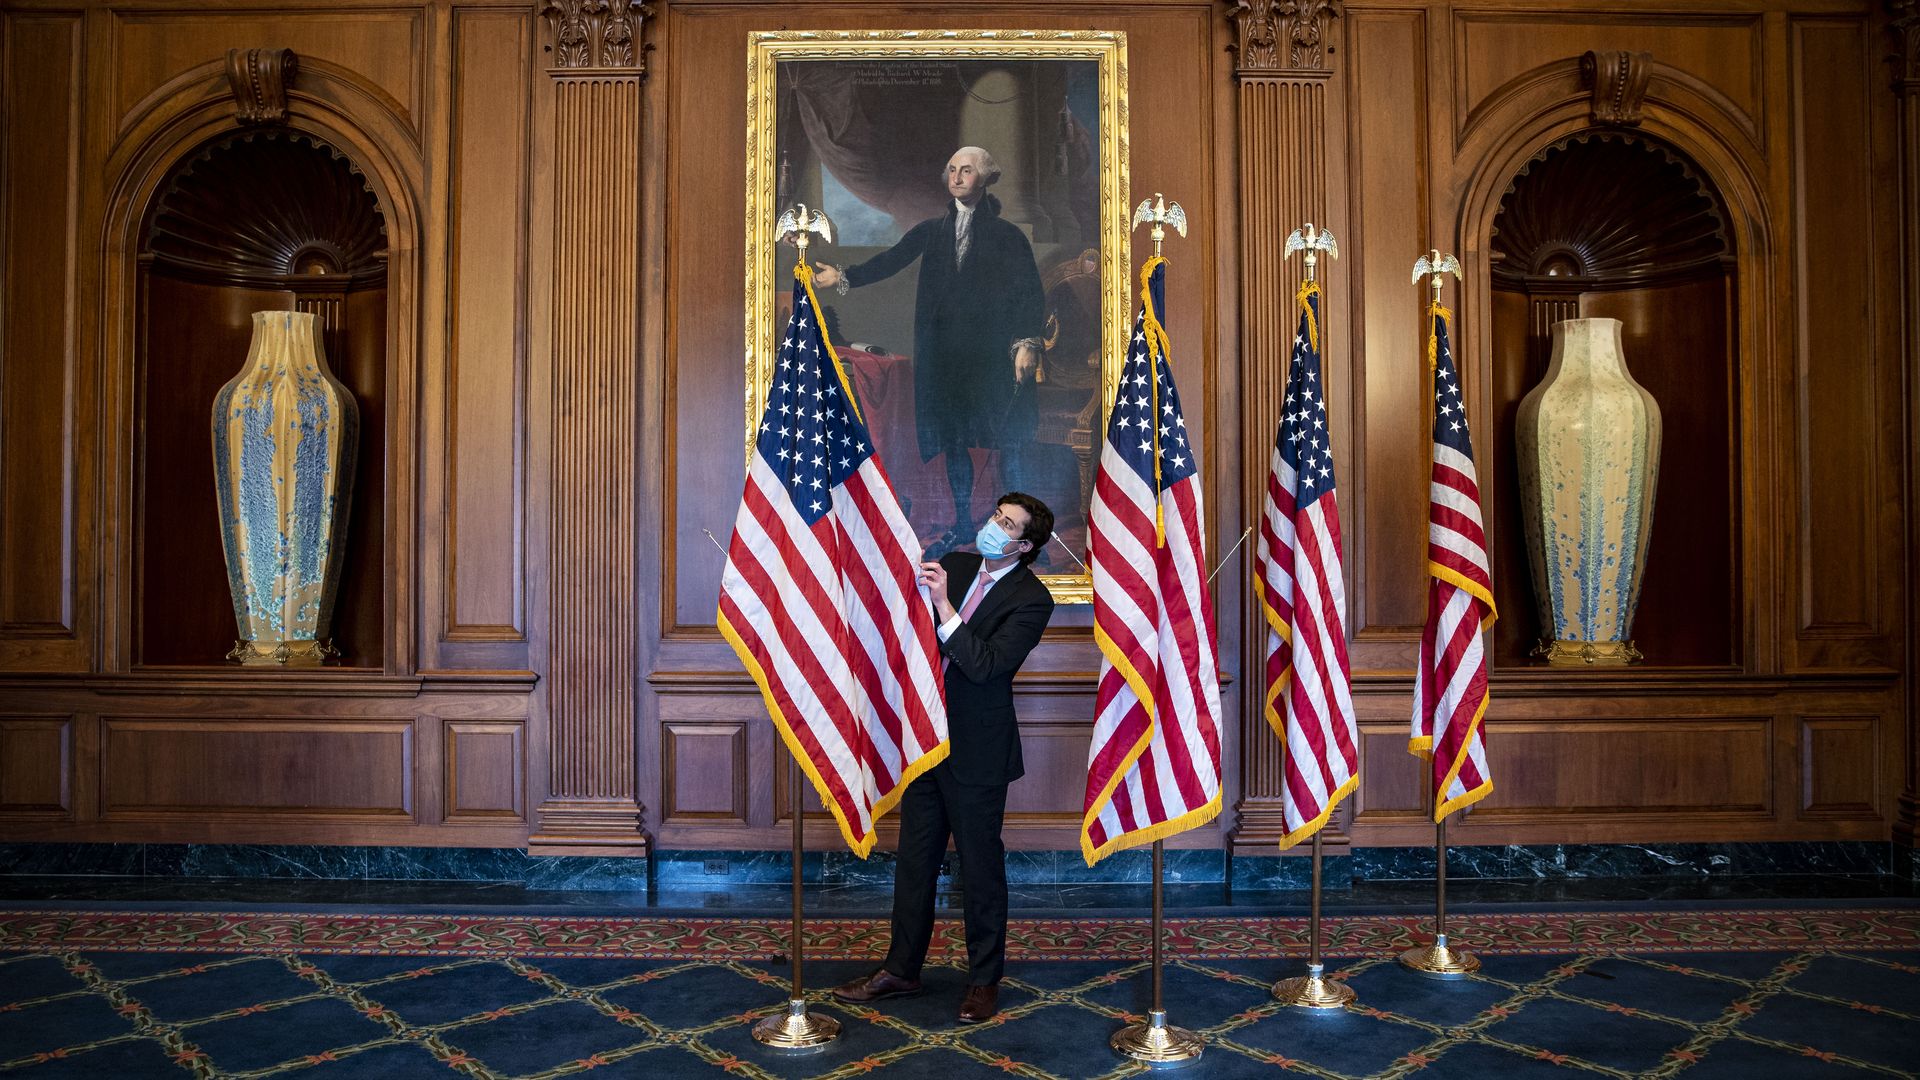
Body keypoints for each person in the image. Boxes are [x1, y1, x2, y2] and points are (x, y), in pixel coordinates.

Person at [832, 492, 1057, 1023]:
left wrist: (945, 608)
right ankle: (901, 970)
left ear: (1023, 546)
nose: (994, 526)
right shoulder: (955, 563)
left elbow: (987, 666)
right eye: (996, 515)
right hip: (925, 742)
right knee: (914, 863)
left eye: (1008, 524)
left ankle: (983, 981)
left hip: (978, 751)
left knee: (980, 870)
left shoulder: (1032, 599)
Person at [815, 147, 1046, 556]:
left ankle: (1023, 535)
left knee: (1007, 442)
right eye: (953, 170)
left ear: (986, 178)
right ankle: (960, 523)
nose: (957, 177)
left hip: (992, 359)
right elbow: (891, 260)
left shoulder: (1008, 236)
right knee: (954, 441)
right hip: (945, 361)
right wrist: (843, 275)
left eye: (967, 170)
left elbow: (1030, 292)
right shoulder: (931, 230)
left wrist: (1027, 344)